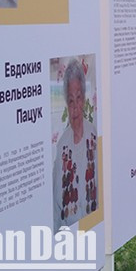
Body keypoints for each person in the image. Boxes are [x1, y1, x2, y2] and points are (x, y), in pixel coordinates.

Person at [54, 58, 97, 231]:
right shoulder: (62, 144)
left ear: (84, 98)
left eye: (78, 98)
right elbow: (57, 202)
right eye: (71, 100)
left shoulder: (93, 136)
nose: (75, 107)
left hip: (92, 229)